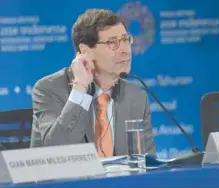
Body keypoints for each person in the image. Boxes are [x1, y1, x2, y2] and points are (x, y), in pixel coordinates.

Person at [31, 9, 155, 157]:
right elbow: (56, 151)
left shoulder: (136, 97)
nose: (126, 50)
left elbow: (148, 164)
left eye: (125, 40)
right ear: (85, 51)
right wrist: (80, 89)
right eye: (113, 43)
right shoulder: (49, 89)